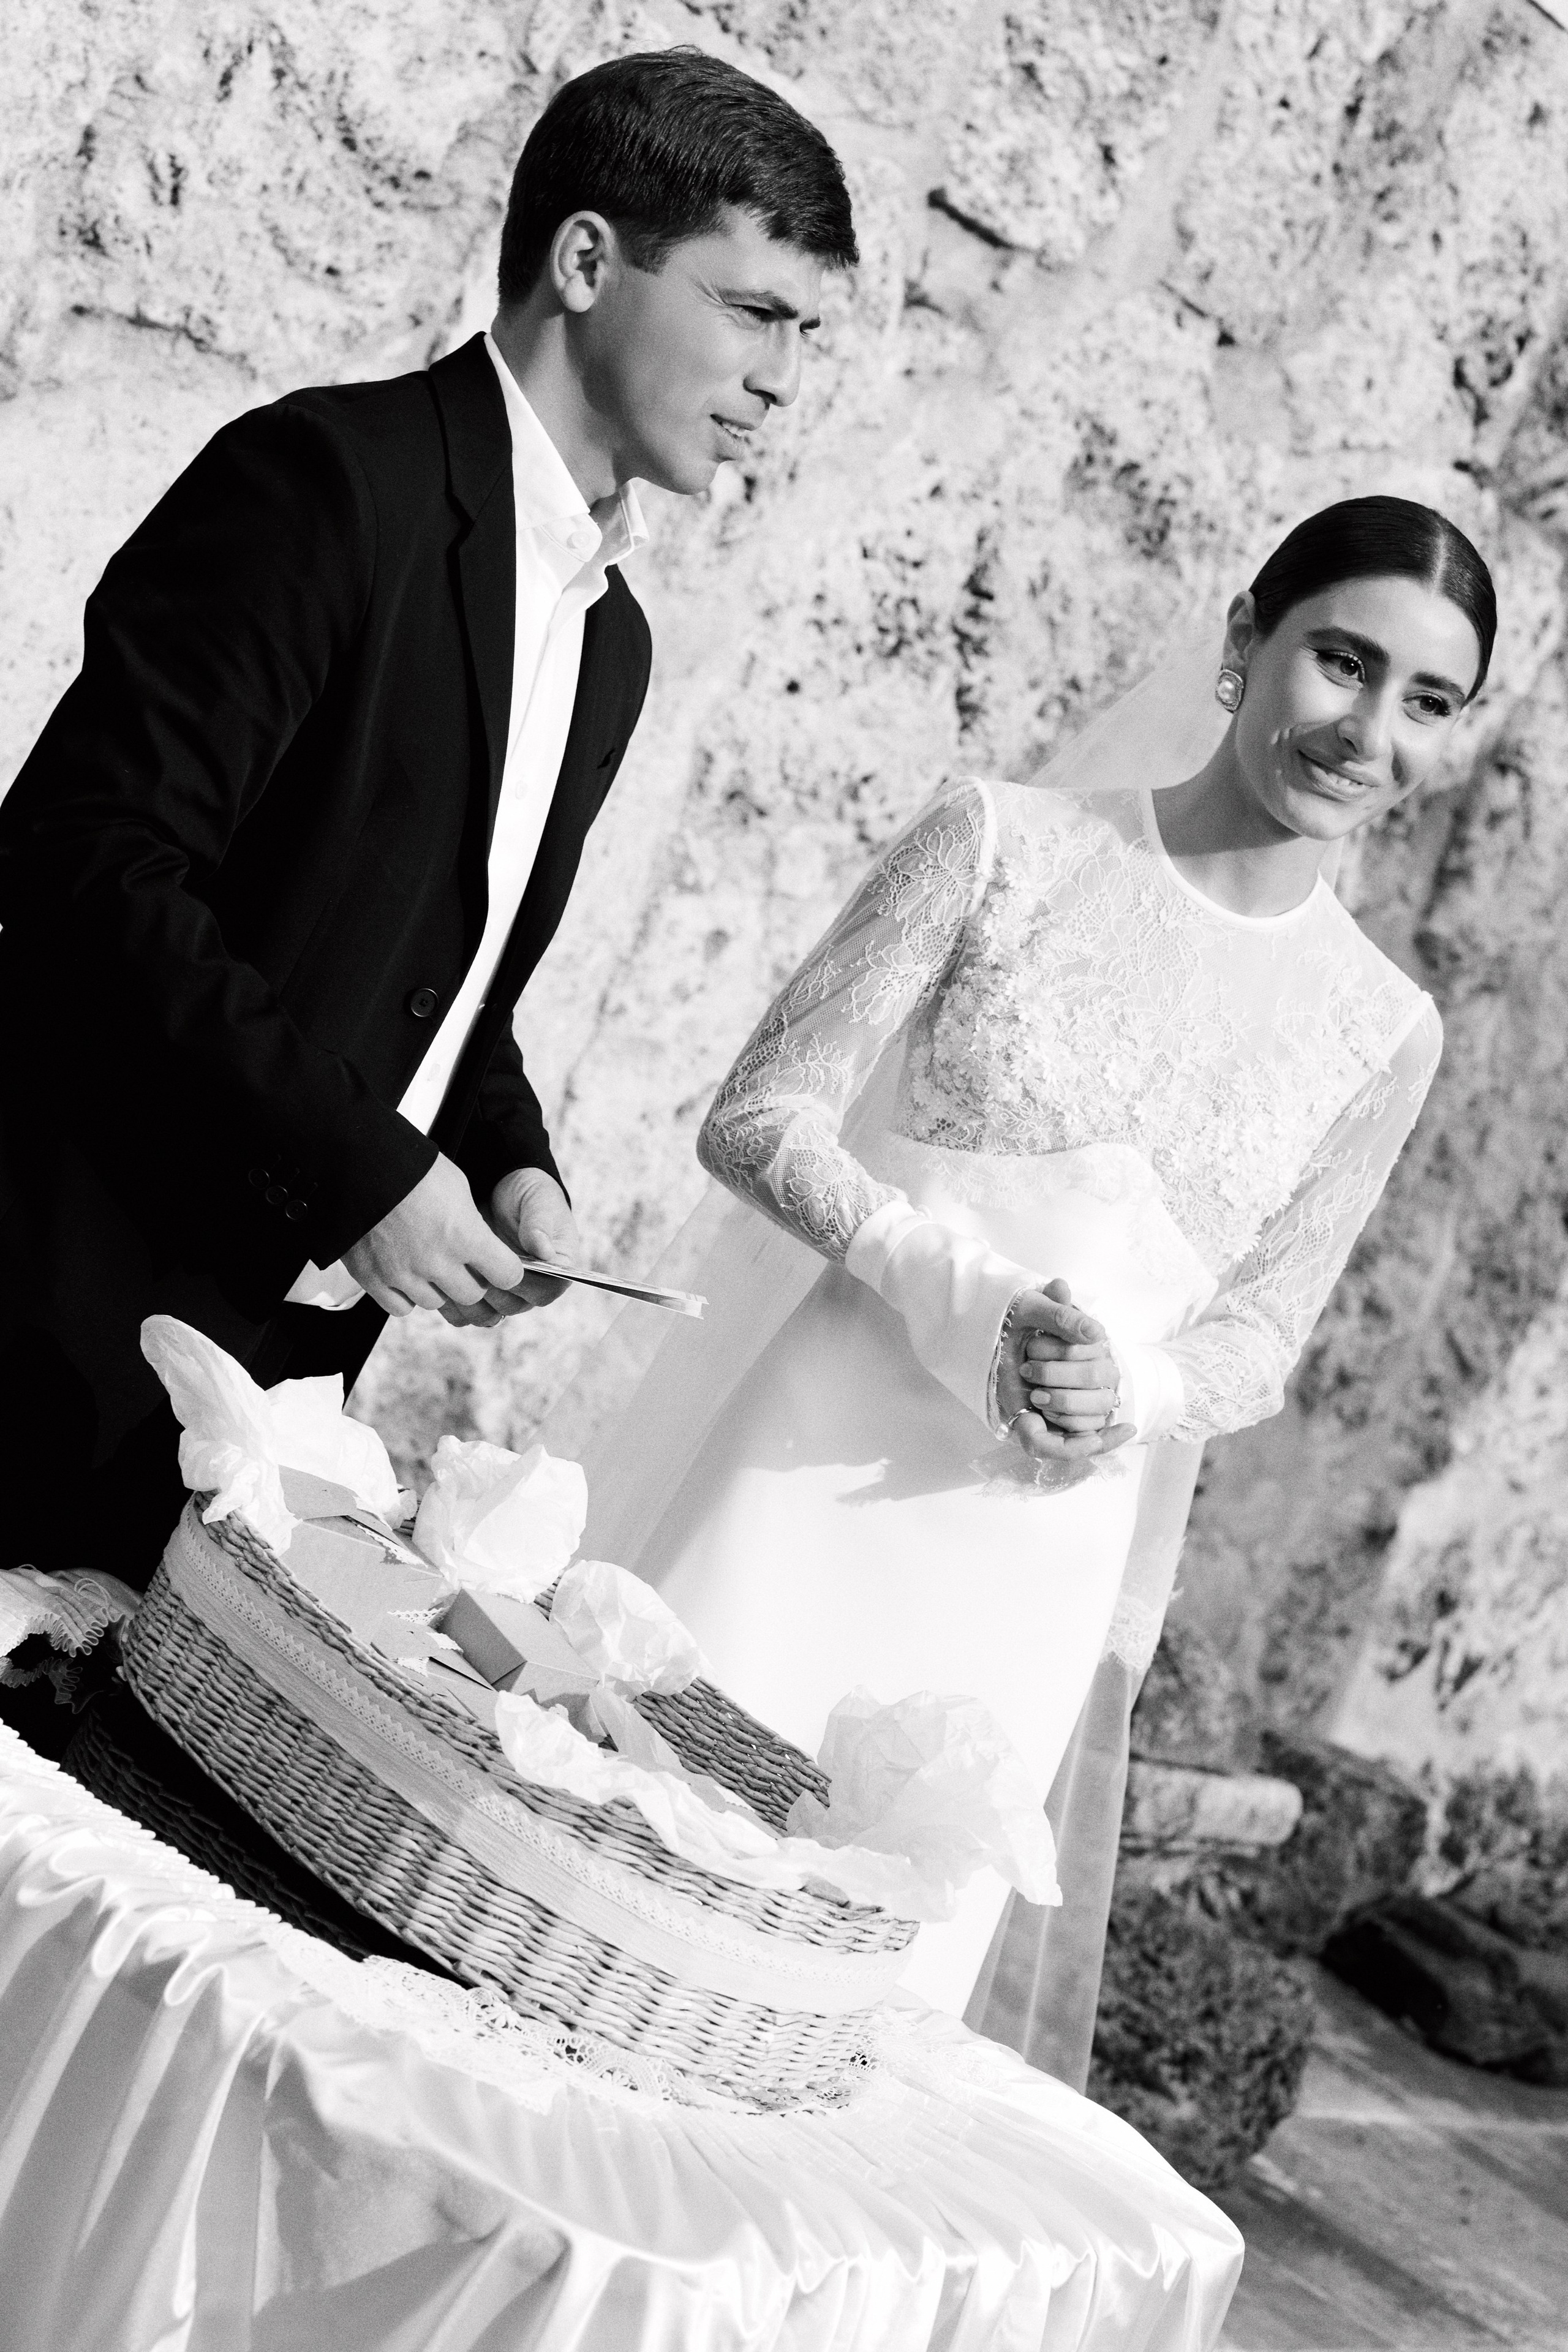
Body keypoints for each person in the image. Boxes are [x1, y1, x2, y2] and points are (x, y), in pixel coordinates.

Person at [561, 495, 1494, 2021]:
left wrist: (1123, 1381)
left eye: (1426, 702)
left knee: (840, 2017)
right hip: (812, 1472)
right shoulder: (1001, 838)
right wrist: (958, 1290)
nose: (1366, 730)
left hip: (1031, 1558)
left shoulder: (1385, 1029)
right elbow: (757, 1116)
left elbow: (1260, 1339)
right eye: (1340, 661)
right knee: (619, 1884)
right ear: (1247, 640)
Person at [0, 49, 856, 1591]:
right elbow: (85, 865)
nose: (783, 377)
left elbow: (439, 965)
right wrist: (362, 1172)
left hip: (268, 1384)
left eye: (806, 331)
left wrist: (501, 1153)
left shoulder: (609, 639)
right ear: (586, 261)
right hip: (47, 1309)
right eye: (753, 311)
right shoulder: (326, 483)